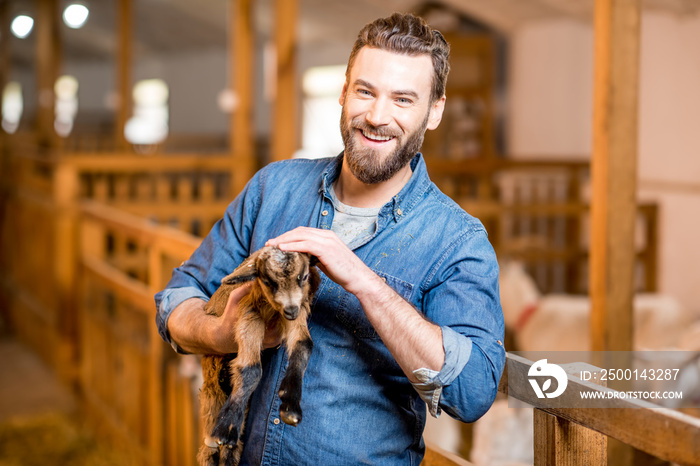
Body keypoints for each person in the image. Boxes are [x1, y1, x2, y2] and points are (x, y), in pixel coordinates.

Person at [155, 12, 505, 465]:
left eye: (403, 99)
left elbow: (474, 390)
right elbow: (177, 297)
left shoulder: (458, 242)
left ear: (434, 111)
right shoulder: (272, 188)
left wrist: (364, 281)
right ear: (343, 92)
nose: (377, 116)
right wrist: (218, 333)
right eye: (365, 91)